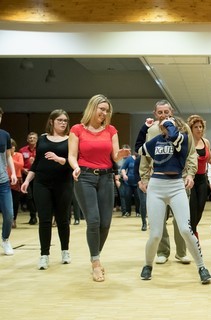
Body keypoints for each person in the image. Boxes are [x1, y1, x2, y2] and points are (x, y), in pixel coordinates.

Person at [137, 115, 211, 284]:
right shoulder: (156, 140)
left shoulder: (182, 139)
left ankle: (201, 267)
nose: (165, 124)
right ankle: (148, 265)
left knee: (185, 229)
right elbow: (140, 150)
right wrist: (144, 128)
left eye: (169, 123)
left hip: (176, 186)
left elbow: (173, 135)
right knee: (155, 234)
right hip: (156, 186)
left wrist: (169, 123)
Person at [68, 94, 131, 282]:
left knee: (105, 224)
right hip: (85, 176)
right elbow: (72, 155)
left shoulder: (111, 130)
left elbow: (114, 156)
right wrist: (75, 167)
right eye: (101, 109)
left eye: (107, 110)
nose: (104, 113)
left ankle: (95, 255)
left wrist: (121, 155)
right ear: (92, 108)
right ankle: (96, 263)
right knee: (93, 221)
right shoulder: (77, 129)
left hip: (106, 178)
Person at [135, 100, 196, 264]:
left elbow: (191, 152)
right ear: (155, 114)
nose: (163, 115)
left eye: (166, 112)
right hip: (158, 179)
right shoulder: (152, 130)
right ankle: (162, 251)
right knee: (158, 219)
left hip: (179, 179)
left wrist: (190, 174)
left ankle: (181, 252)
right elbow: (145, 155)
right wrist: (144, 177)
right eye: (160, 112)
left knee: (181, 220)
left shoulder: (183, 128)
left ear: (172, 111)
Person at [21, 109, 73, 270]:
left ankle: (65, 250)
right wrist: (28, 180)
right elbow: (36, 163)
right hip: (41, 183)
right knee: (44, 219)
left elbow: (74, 160)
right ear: (51, 121)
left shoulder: (70, 139)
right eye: (60, 120)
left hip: (63, 183)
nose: (63, 123)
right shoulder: (42, 139)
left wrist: (60, 159)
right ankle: (44, 255)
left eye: (65, 120)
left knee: (63, 219)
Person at [187, 115, 211, 238]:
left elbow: (209, 158)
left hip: (202, 179)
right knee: (192, 208)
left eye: (201, 127)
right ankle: (193, 233)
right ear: (191, 128)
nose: (199, 129)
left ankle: (193, 228)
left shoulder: (206, 142)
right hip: (190, 179)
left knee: (200, 207)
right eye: (196, 127)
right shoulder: (187, 142)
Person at [0, 107, 17, 255]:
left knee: (9, 214)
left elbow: (9, 156)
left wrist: (12, 173)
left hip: (3, 182)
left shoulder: (4, 135)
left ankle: (5, 239)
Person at [19, 131, 38, 225]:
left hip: (38, 176)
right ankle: (33, 216)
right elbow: (19, 163)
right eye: (30, 138)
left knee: (37, 196)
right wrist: (23, 170)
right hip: (26, 176)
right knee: (29, 196)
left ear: (37, 140)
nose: (32, 139)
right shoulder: (22, 150)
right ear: (27, 140)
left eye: (34, 138)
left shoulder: (40, 150)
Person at [7, 139, 23, 229]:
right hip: (5, 179)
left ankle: (14, 219)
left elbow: (21, 165)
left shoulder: (18, 155)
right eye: (10, 146)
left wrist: (10, 159)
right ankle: (8, 219)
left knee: (15, 201)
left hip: (16, 179)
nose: (11, 147)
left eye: (13, 146)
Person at [120, 151, 140, 218]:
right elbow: (123, 168)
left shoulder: (141, 159)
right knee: (127, 197)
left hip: (138, 182)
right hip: (128, 182)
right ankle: (128, 212)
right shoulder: (129, 159)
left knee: (138, 198)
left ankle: (138, 212)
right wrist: (124, 175)